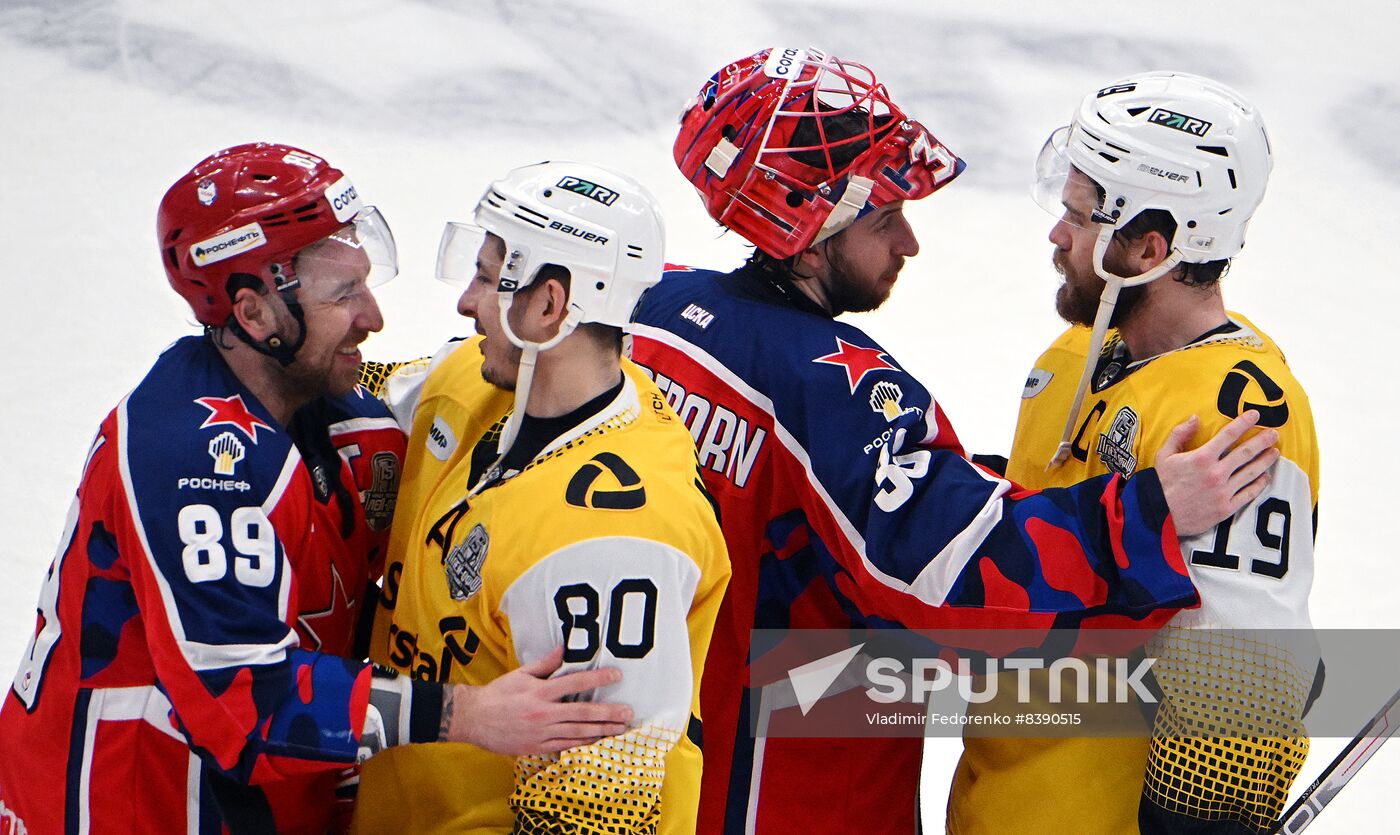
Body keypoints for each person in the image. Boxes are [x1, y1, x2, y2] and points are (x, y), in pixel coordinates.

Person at [627, 48, 1281, 834]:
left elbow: (824, 516)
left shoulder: (642, 311)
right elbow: (969, 593)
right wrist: (1143, 511)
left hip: (653, 788)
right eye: (883, 218)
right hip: (783, 803)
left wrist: (975, 485)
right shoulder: (836, 393)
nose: (908, 242)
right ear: (805, 233)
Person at [0, 143, 630, 835]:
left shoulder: (331, 403)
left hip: (249, 802)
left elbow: (474, 371)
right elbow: (240, 700)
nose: (373, 317)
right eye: (342, 295)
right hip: (131, 804)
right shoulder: (194, 462)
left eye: (366, 282)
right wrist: (466, 713)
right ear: (254, 313)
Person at [949, 72, 1321, 834]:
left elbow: (1240, 705)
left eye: (1081, 217)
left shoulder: (1233, 412)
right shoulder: (1075, 355)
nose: (1058, 235)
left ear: (1151, 247)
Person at [350, 161, 730, 834]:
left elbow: (596, 815)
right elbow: (350, 398)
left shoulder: (611, 547)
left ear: (551, 306)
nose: (467, 301)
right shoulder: (476, 374)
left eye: (490, 277)